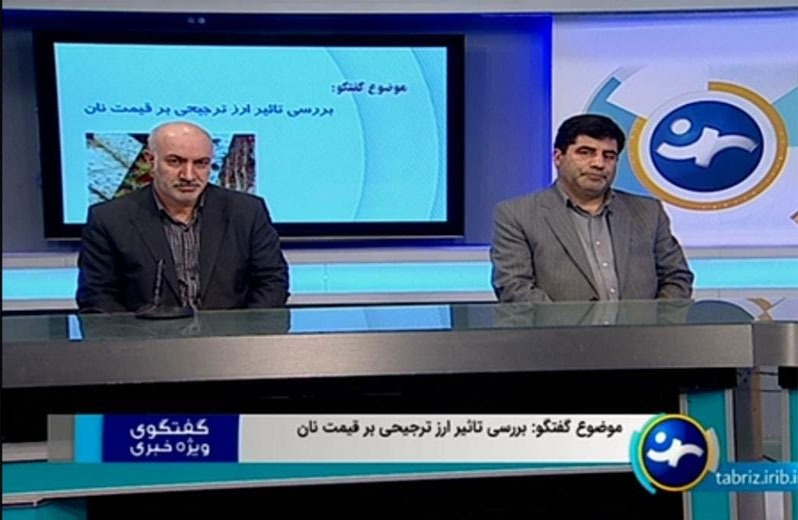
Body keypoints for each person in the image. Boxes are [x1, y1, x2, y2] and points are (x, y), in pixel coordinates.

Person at [76, 121, 289, 313]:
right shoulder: (109, 218)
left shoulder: (246, 212)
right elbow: (97, 296)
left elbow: (272, 282)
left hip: (232, 340)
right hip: (145, 341)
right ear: (151, 161)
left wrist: (245, 333)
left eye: (200, 163)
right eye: (175, 162)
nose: (188, 175)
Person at [490, 113, 694, 303]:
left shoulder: (648, 211)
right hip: (558, 331)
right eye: (585, 153)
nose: (599, 163)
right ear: (558, 158)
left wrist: (657, 323)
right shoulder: (517, 215)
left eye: (609, 156)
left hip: (642, 330)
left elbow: (676, 277)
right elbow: (514, 287)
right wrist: (574, 328)